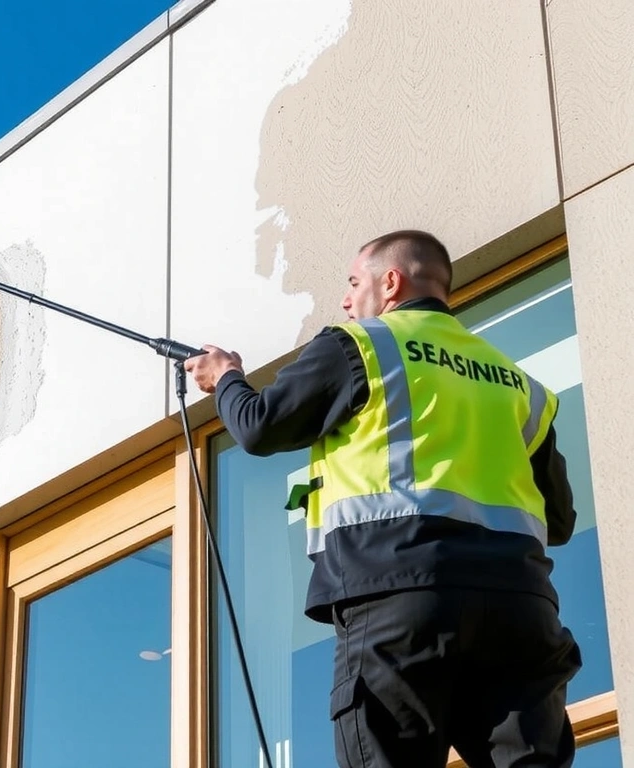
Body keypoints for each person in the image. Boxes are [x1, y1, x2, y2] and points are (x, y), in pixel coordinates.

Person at [185, 230, 582, 768]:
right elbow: (558, 521)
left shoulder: (361, 345)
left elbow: (259, 428)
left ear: (390, 282)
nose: (347, 300)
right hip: (522, 610)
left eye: (353, 283)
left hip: (399, 598)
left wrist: (226, 377)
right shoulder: (518, 385)